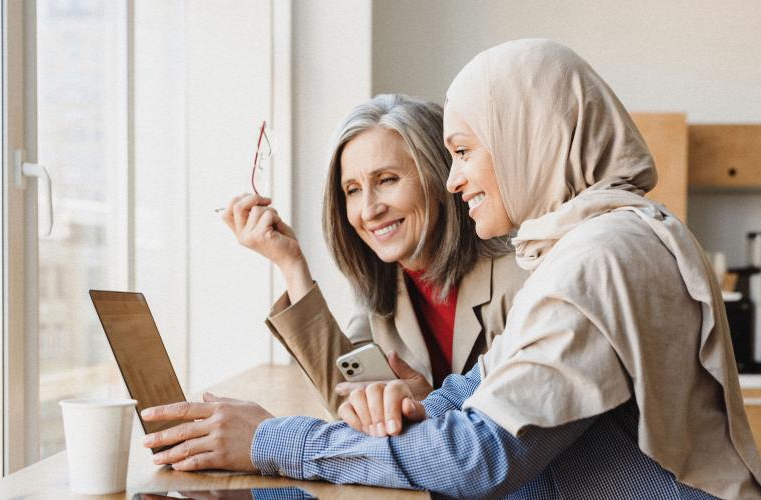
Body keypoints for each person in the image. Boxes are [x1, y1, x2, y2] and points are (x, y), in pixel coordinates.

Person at [141, 40, 761, 498]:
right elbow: (462, 397)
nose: (456, 175)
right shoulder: (591, 246)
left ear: (529, 136)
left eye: (462, 152)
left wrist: (270, 441)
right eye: (353, 189)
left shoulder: (596, 262)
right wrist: (411, 406)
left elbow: (478, 460)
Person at [221, 94, 527, 422]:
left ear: (440, 179)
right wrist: (291, 264)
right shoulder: (385, 284)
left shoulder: (520, 275)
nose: (369, 210)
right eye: (352, 190)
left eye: (387, 180)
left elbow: (509, 427)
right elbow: (348, 398)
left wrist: (433, 405)